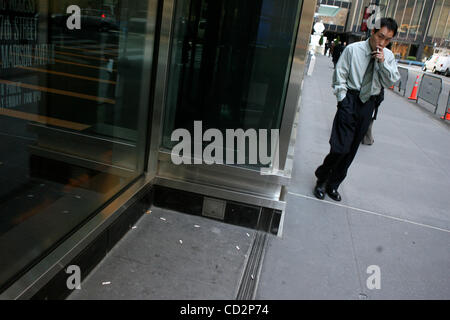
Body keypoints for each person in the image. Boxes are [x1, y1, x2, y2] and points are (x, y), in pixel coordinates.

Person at [313, 18, 400, 202]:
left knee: (351, 150)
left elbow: (390, 81)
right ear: (373, 32)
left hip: (368, 103)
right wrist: (342, 99)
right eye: (380, 36)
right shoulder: (353, 50)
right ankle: (322, 179)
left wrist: (383, 63)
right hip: (350, 100)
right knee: (340, 147)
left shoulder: (388, 56)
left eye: (387, 40)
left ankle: (333, 185)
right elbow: (340, 75)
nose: (382, 42)